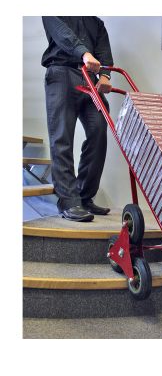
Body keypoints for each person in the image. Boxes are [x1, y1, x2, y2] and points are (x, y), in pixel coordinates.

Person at [41, 16, 113, 222]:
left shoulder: (96, 22)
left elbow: (104, 51)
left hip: (90, 80)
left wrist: (105, 75)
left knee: (99, 131)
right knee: (62, 137)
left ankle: (84, 196)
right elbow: (63, 35)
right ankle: (69, 202)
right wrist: (84, 53)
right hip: (61, 72)